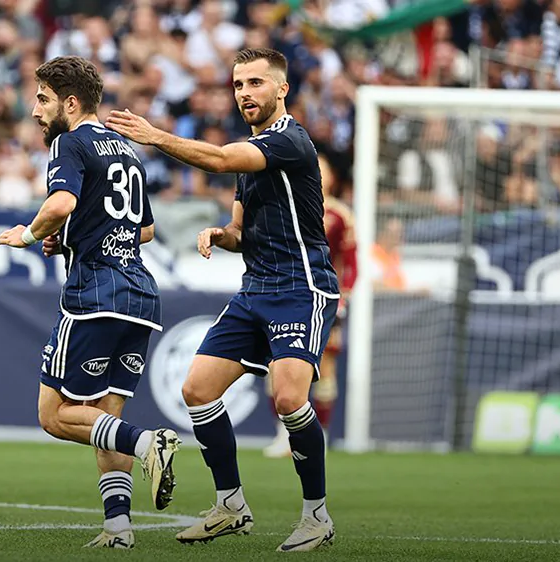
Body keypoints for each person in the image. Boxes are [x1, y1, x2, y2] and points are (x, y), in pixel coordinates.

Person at [106, 47, 339, 552]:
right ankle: (230, 505)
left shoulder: (290, 140)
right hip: (256, 289)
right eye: (238, 85)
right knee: (197, 389)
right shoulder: (252, 153)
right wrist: (222, 234)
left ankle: (316, 516)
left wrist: (156, 136)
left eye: (255, 83)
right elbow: (240, 229)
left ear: (282, 89)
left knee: (289, 399)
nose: (244, 93)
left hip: (301, 288)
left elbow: (217, 158)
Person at [0, 56, 180, 550]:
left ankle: (148, 442)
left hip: (95, 294)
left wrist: (29, 235)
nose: (36, 110)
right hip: (141, 296)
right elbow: (144, 230)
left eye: (43, 99)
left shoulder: (69, 142)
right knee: (103, 418)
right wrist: (71, 237)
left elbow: (62, 203)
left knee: (54, 414)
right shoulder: (127, 150)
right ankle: (118, 528)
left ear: (70, 103)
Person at [263, 154, 355, 457]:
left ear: (332, 178)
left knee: (324, 369)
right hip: (287, 298)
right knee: (276, 366)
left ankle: (321, 437)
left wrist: (343, 297)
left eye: (323, 170)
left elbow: (351, 263)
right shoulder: (288, 206)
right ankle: (283, 435)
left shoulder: (341, 215)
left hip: (325, 301)